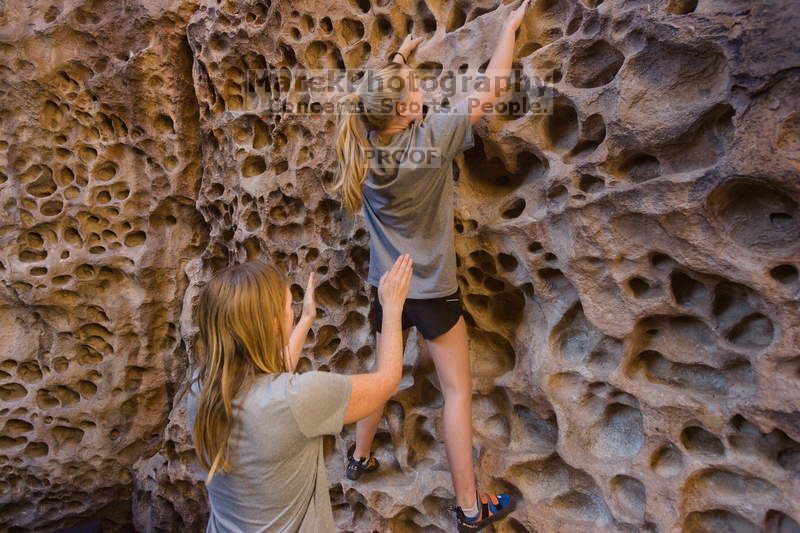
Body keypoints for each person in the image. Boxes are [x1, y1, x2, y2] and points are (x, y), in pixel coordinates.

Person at [331, 1, 530, 530]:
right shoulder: (433, 137)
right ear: (404, 111)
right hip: (434, 290)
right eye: (414, 92)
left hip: (387, 291)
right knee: (457, 393)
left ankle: (358, 458)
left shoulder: (363, 147)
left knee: (381, 376)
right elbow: (492, 86)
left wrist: (398, 57)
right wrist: (508, 29)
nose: (422, 93)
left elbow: (380, 98)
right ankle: (469, 509)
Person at [186, 254, 413, 532]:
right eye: (287, 306)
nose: (291, 312)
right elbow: (387, 380)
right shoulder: (300, 398)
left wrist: (307, 319)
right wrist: (391, 308)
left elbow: (269, 382)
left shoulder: (202, 387)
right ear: (271, 324)